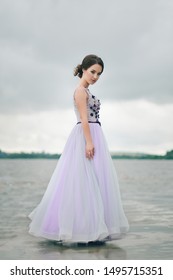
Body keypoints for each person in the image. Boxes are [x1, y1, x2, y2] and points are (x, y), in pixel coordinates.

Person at [29, 54, 129, 244]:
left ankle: (94, 227)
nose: (95, 77)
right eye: (92, 72)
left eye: (99, 74)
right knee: (81, 182)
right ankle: (79, 229)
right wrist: (89, 142)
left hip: (95, 134)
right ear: (83, 69)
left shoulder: (87, 91)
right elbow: (84, 119)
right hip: (86, 136)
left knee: (96, 182)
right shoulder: (80, 91)